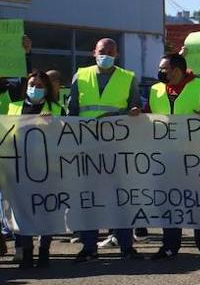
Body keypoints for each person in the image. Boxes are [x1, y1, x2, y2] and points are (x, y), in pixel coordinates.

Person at [68, 37, 143, 261]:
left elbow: (135, 106)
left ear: (117, 54)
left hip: (116, 145)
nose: (106, 54)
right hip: (87, 146)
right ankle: (89, 247)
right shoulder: (80, 75)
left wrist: (135, 111)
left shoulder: (127, 77)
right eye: (103, 50)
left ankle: (126, 245)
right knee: (89, 197)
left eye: (111, 51)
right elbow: (72, 111)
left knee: (120, 197)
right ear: (94, 52)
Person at [148, 53, 200, 261]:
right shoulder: (155, 90)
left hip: (195, 158)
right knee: (169, 201)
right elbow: (149, 114)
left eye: (164, 68)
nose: (160, 72)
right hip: (165, 157)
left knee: (198, 202)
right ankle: (170, 245)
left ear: (177, 70)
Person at [7, 70, 61, 268]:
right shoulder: (13, 107)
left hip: (47, 170)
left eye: (39, 86)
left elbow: (65, 137)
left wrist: (53, 124)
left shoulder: (55, 108)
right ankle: (27, 252)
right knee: (23, 213)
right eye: (32, 84)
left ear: (46, 89)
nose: (34, 89)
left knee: (46, 211)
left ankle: (44, 250)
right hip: (19, 169)